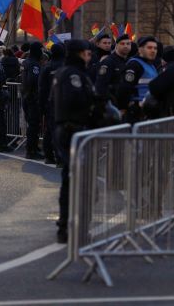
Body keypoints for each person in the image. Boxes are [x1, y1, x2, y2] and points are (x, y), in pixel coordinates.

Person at [52, 39, 97, 244]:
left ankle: (73, 224)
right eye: (87, 54)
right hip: (72, 129)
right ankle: (68, 225)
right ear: (80, 54)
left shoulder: (70, 73)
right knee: (75, 180)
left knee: (76, 178)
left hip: (70, 129)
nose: (89, 57)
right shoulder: (72, 74)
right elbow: (75, 100)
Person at [117, 36, 159, 122]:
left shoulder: (151, 66)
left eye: (155, 48)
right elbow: (124, 88)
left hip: (148, 110)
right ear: (140, 50)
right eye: (149, 48)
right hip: (136, 112)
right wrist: (124, 108)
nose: (153, 50)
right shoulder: (134, 65)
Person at [39, 43, 65, 165]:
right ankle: (60, 158)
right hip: (62, 103)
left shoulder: (47, 66)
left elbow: (42, 88)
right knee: (59, 131)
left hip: (49, 103)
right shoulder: (66, 66)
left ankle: (48, 156)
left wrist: (42, 104)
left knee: (49, 130)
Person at [21, 42, 45, 159]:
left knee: (33, 124)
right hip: (32, 98)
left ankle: (33, 148)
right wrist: (34, 94)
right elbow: (32, 80)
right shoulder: (34, 64)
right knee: (34, 125)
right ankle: (31, 150)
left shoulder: (26, 62)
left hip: (27, 97)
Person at [94, 35, 131, 108]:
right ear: (116, 46)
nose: (126, 46)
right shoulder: (109, 61)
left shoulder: (129, 62)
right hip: (113, 105)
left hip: (125, 105)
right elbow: (101, 86)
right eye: (122, 44)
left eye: (128, 44)